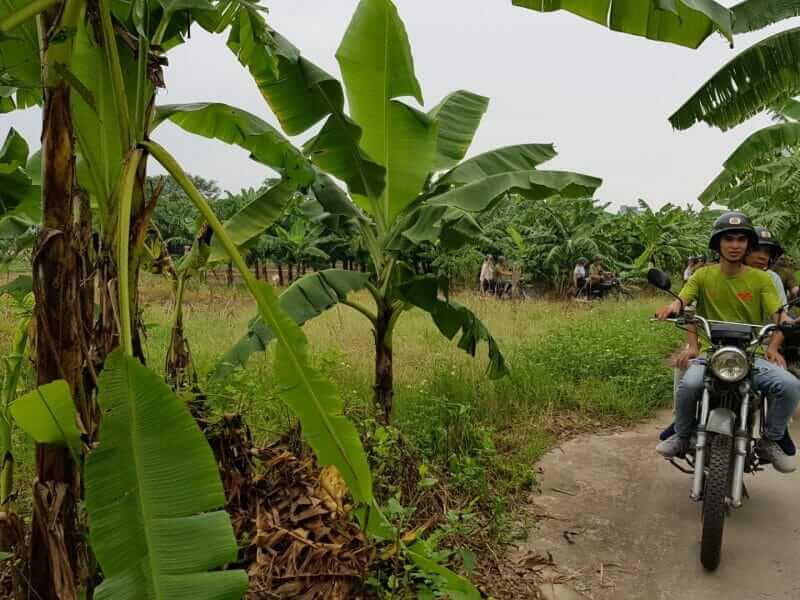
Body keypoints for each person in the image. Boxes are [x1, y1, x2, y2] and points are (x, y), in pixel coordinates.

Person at [654, 212, 800, 473]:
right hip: (713, 353)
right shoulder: (702, 276)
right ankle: (683, 435)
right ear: (717, 244)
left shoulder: (762, 279)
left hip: (749, 355)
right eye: (729, 239)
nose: (735, 245)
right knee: (689, 385)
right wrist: (672, 306)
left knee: (789, 385)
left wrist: (787, 320)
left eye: (741, 239)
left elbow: (777, 312)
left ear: (748, 244)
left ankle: (771, 439)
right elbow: (683, 300)